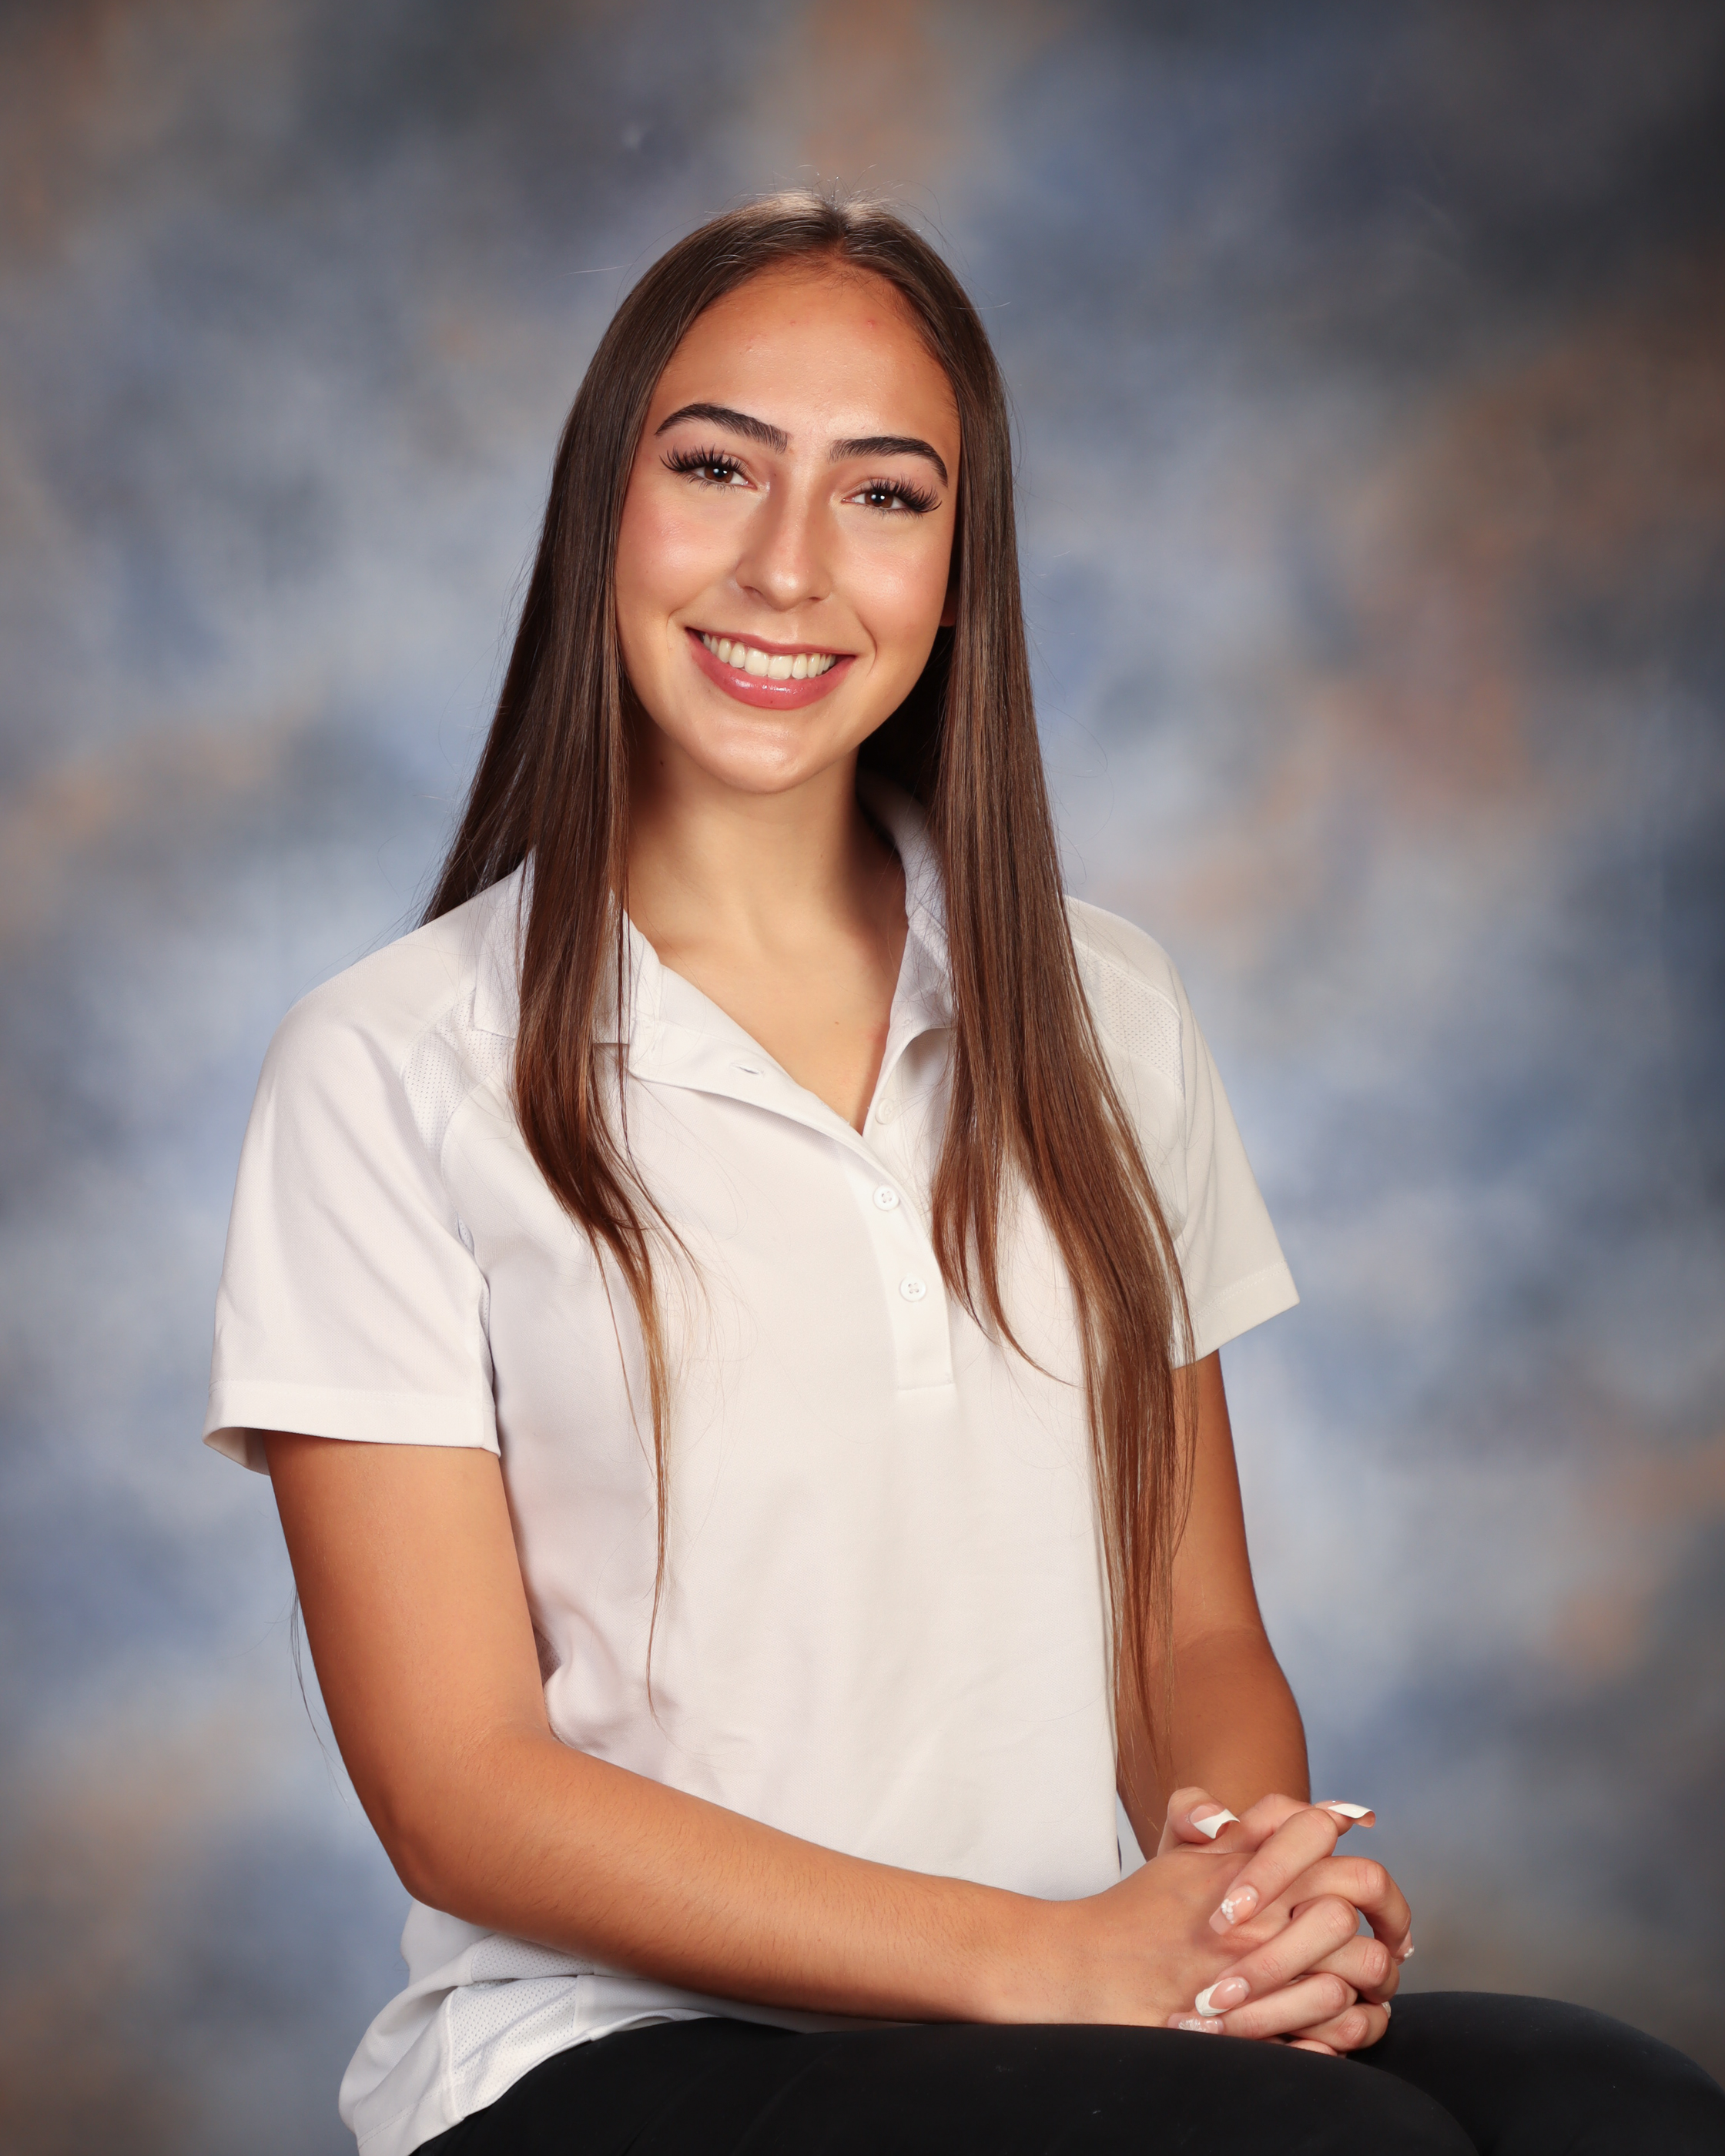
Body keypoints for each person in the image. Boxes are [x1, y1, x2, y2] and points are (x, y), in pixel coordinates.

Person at [204, 192, 1724, 2156]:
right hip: (608, 2050)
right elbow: (459, 1787)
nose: (787, 565)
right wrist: (1041, 1959)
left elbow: (1186, 1638)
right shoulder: (390, 1063)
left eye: (882, 495)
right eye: (715, 467)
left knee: (1614, 2105)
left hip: (1071, 2008)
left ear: (955, 570)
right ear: (603, 511)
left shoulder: (1104, 1011)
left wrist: (1240, 1910)